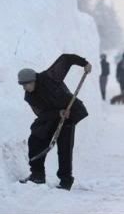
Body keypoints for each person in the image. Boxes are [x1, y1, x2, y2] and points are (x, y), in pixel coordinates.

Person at [18, 53, 92, 191]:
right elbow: (41, 114)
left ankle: (66, 181)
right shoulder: (29, 97)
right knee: (35, 138)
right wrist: (58, 113)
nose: (25, 88)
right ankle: (37, 175)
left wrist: (84, 63)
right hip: (52, 116)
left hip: (71, 112)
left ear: (33, 80)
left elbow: (66, 58)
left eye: (26, 84)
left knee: (64, 146)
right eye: (22, 86)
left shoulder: (50, 76)